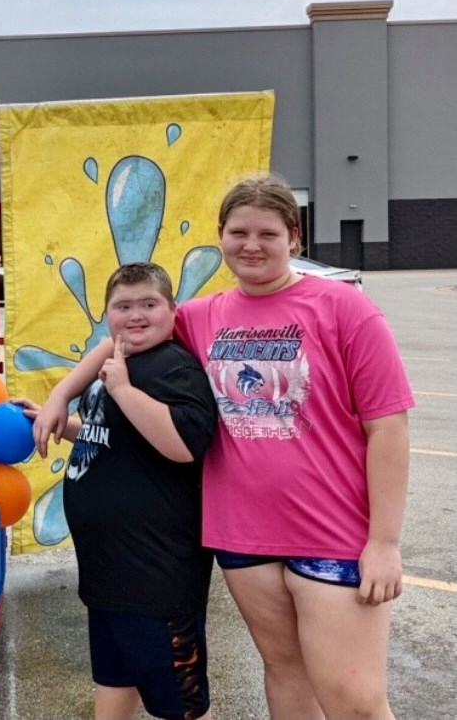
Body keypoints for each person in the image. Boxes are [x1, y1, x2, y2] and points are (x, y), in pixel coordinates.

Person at [35, 174, 414, 720]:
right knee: (286, 674)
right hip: (243, 537)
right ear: (220, 236)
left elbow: (389, 429)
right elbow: (119, 341)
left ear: (294, 237)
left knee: (354, 698)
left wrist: (385, 541)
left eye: (268, 233)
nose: (251, 245)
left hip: (333, 534)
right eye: (239, 232)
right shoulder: (201, 316)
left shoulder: (344, 308)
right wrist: (61, 396)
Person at [26, 261, 218, 720]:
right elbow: (114, 435)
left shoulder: (173, 368)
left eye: (148, 304)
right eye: (123, 306)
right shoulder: (118, 360)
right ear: (107, 313)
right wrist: (59, 413)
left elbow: (184, 445)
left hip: (156, 581)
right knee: (113, 680)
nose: (135, 316)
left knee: (183, 706)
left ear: (172, 310)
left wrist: (125, 391)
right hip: (108, 577)